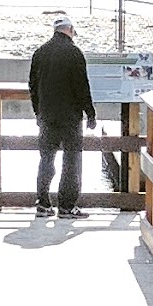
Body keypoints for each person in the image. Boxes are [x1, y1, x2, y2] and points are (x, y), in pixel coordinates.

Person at [28, 14, 96, 217]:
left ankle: (43, 203)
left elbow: (32, 86)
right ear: (70, 29)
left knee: (46, 159)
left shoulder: (40, 53)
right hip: (70, 117)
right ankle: (66, 206)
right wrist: (90, 113)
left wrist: (38, 111)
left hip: (47, 115)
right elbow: (82, 87)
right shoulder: (74, 53)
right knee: (71, 161)